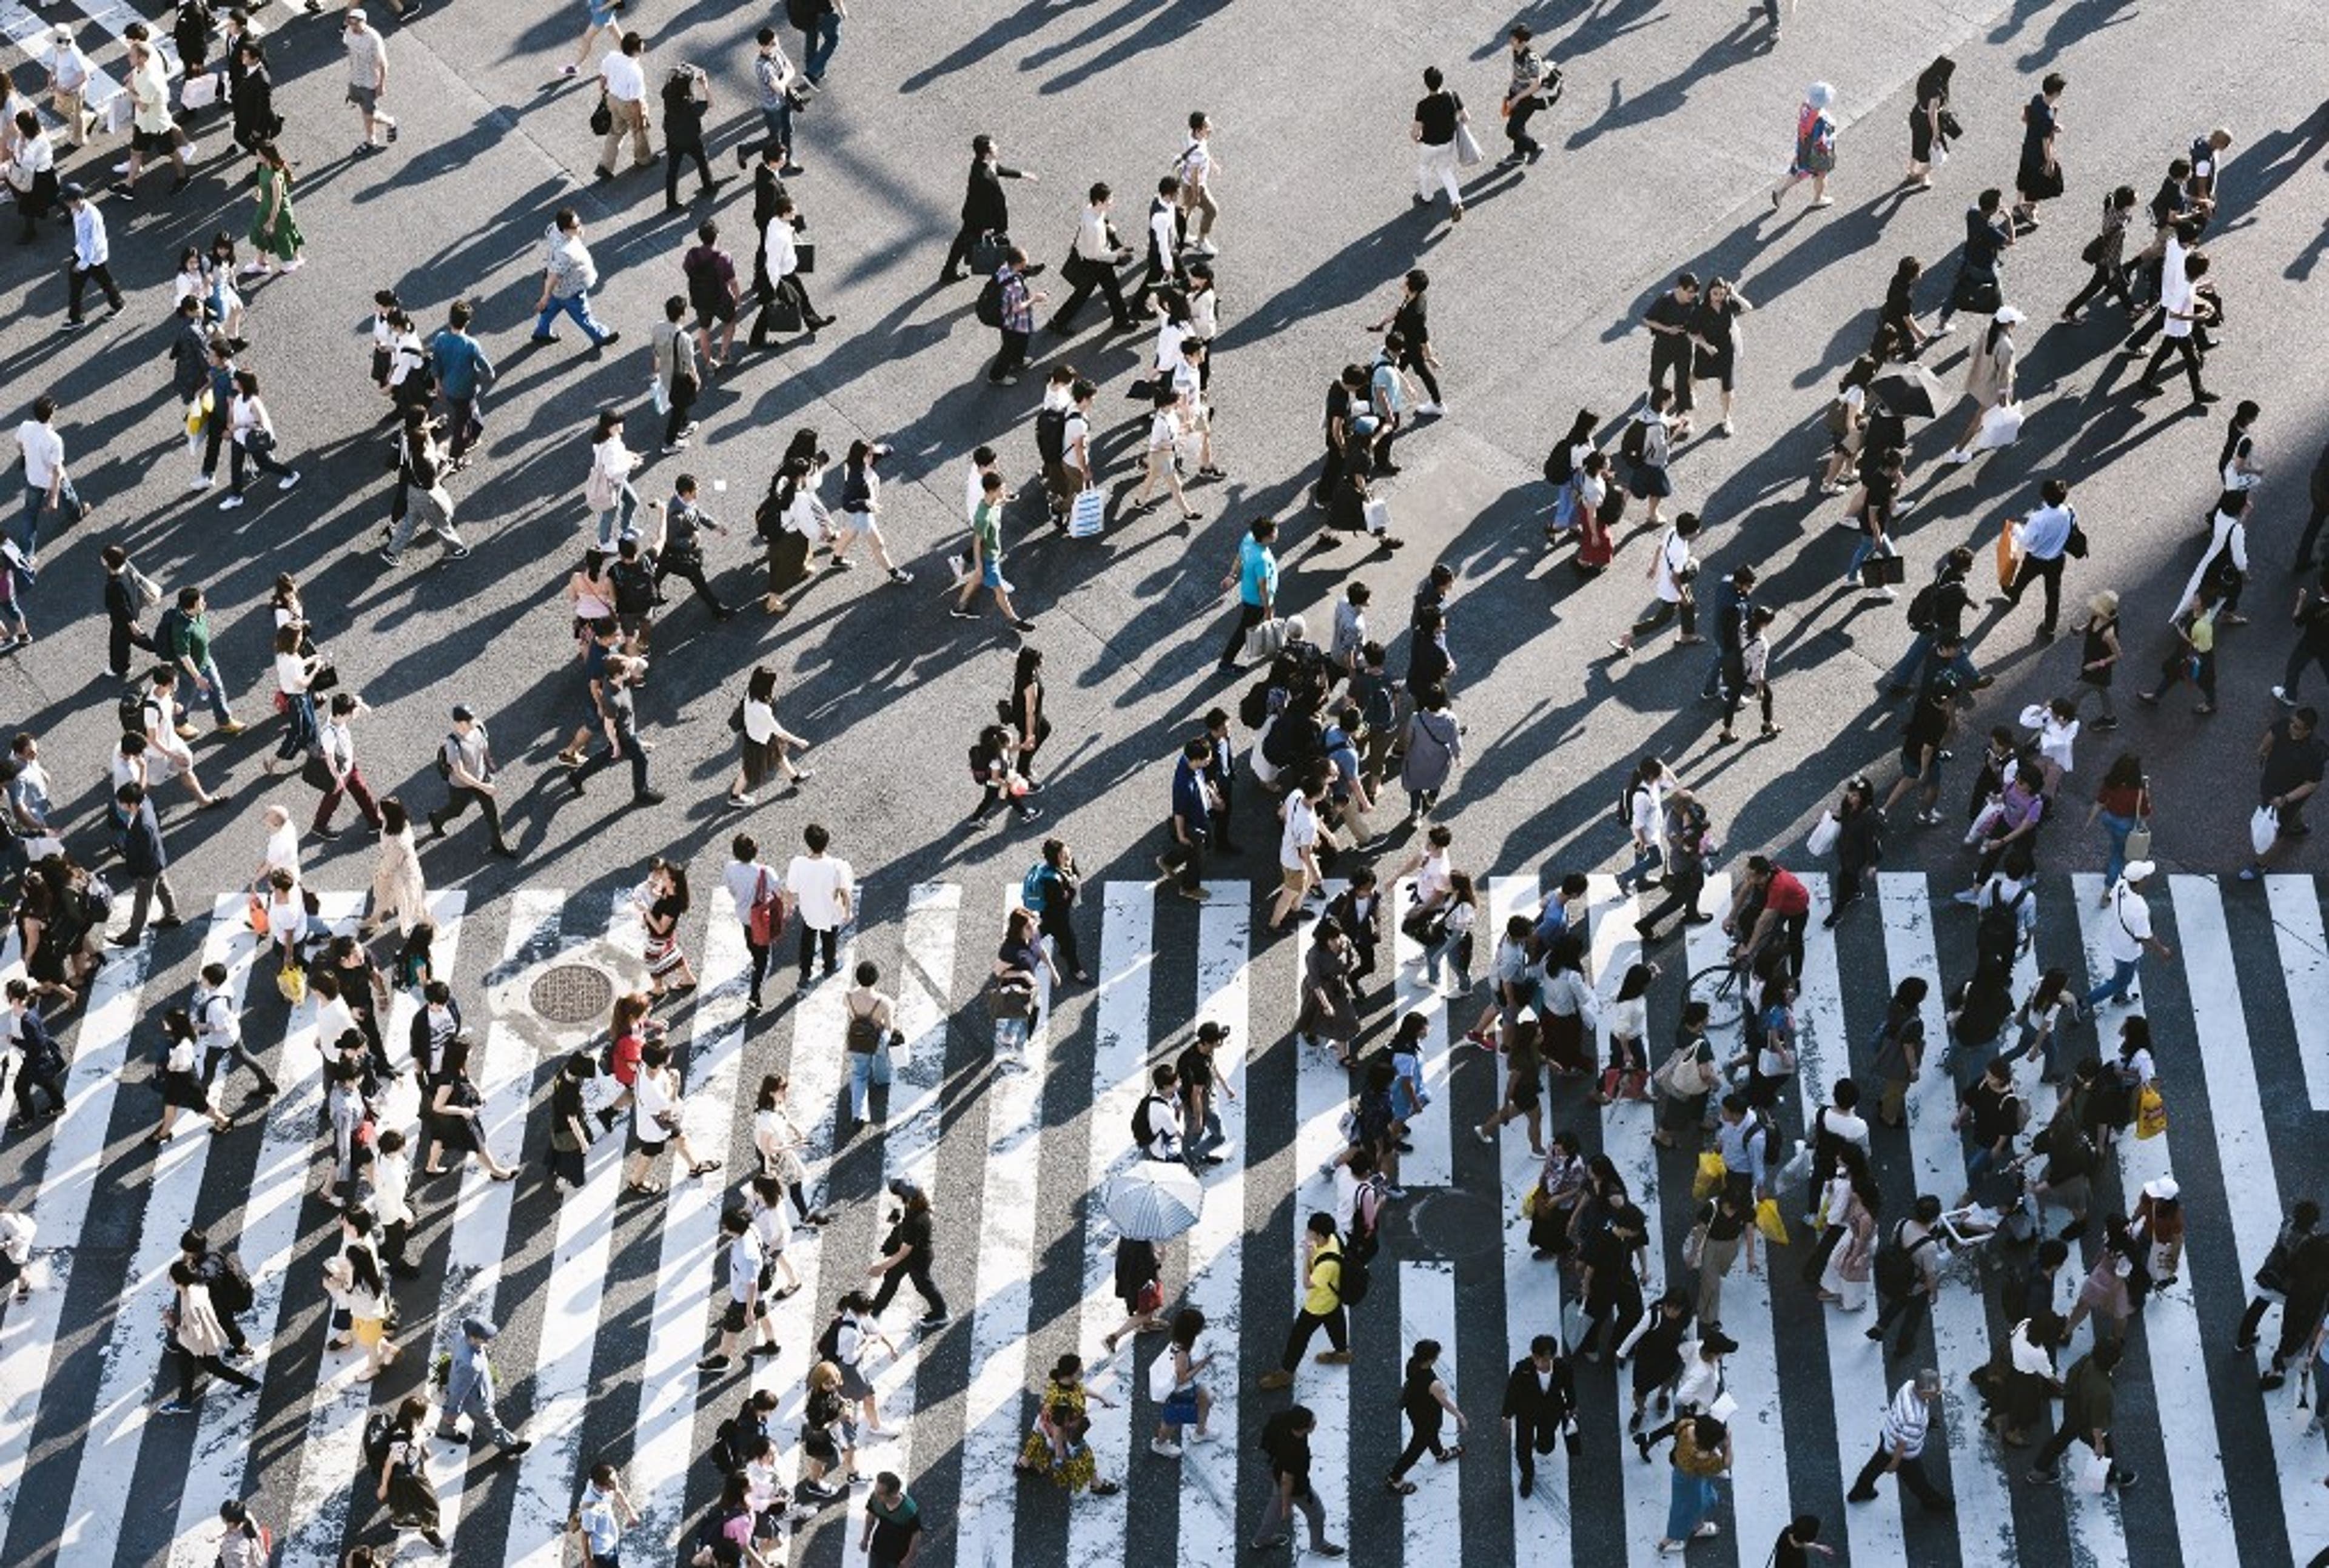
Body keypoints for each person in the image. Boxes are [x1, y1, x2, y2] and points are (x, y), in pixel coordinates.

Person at [2027, 1339, 2136, 1489]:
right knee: (2106, 1451)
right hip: (2086, 1423)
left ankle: (2039, 1470)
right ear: (2116, 1363)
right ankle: (2110, 1478)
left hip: (2073, 1410)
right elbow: (2098, 1421)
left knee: (2061, 1439)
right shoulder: (2103, 1392)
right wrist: (2099, 1443)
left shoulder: (2087, 1360)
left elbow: (2071, 1374)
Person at [159, 1258, 261, 1415]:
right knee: (184, 1359)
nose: (169, 1278)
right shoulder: (196, 1286)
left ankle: (250, 1384)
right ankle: (184, 1400)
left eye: (171, 1276)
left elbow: (195, 1334)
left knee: (215, 1368)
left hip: (201, 1344)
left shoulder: (191, 1305)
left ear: (179, 1281)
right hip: (202, 1334)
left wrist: (173, 1324)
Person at [1846, 1369, 1952, 1512]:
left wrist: (1924, 1423)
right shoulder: (1914, 1419)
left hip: (1889, 1434)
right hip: (1904, 1454)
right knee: (1918, 1482)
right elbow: (1903, 1443)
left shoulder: (1908, 1386)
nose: (1938, 1394)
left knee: (1876, 1465)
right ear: (1922, 1391)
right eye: (1934, 1392)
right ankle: (1931, 1502)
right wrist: (1894, 1464)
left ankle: (1860, 1490)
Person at [2241, 705, 2328, 880]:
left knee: (2273, 830)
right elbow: (2273, 733)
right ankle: (2296, 826)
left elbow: (2312, 784)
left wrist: (2286, 799)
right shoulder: (2285, 725)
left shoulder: (2314, 752)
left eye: (2297, 727)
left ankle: (2261, 865)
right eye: (2292, 723)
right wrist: (2262, 750)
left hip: (2285, 797)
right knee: (2288, 817)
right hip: (2271, 786)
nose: (2291, 728)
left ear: (2308, 731)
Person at [1252, 1406, 1344, 1558]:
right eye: (1312, 1423)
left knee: (1275, 1508)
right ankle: (1318, 1545)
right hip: (1296, 1487)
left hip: (1277, 1471)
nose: (1315, 1422)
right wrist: (1287, 1508)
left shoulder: (1281, 1419)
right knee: (1317, 1513)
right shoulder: (1295, 1452)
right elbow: (1287, 1481)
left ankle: (1262, 1540)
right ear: (1302, 1428)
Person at [942, 133, 1035, 283]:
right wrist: (992, 227)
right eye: (994, 146)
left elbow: (998, 169)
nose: (997, 147)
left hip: (972, 214)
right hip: (979, 219)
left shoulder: (982, 163)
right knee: (999, 245)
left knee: (962, 242)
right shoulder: (984, 178)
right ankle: (1019, 270)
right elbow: (994, 205)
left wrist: (1022, 175)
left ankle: (948, 272)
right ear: (987, 153)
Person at [437, 1318, 532, 1455]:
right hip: (476, 1400)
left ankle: (445, 1431)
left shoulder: (462, 1336)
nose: (487, 1341)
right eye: (483, 1338)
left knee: (453, 1411)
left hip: (465, 1386)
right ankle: (509, 1445)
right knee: (488, 1422)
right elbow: (460, 1392)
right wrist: (451, 1411)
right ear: (472, 1338)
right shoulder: (470, 1365)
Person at [1385, 1338, 1467, 1495]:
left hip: (1414, 1409)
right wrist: (1461, 1417)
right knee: (1415, 1450)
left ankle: (1440, 1454)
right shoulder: (1433, 1384)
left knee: (1431, 1436)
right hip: (1429, 1417)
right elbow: (1445, 1403)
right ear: (1430, 1360)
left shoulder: (1412, 1363)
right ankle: (1394, 1479)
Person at [866, 1182, 948, 1328]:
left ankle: (941, 1314)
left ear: (906, 1197)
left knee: (923, 1285)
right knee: (892, 1279)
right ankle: (876, 1311)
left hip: (916, 1259)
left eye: (898, 1194)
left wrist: (881, 1267)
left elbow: (903, 1253)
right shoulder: (919, 1206)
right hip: (918, 1253)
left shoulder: (913, 1222)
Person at [1410, 66, 1468, 224]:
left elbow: (1415, 132)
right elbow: (1466, 117)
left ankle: (1427, 197)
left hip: (1429, 145)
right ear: (1441, 81)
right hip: (1447, 143)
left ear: (1426, 83)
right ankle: (1456, 201)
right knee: (1444, 170)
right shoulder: (1452, 96)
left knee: (1424, 168)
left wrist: (1416, 138)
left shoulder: (1423, 105)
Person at [1772, 82, 1838, 212]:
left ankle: (1781, 192)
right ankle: (1818, 199)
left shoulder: (1806, 108)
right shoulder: (1821, 120)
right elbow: (1824, 139)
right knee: (1821, 175)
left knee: (1802, 170)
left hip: (1803, 147)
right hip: (1817, 153)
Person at [344, 8, 397, 152]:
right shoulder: (348, 32)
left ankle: (390, 122)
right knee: (365, 111)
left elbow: (384, 64)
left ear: (364, 22)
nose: (353, 27)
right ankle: (371, 141)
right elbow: (350, 51)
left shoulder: (374, 39)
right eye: (351, 23)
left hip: (369, 82)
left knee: (370, 114)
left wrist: (381, 85)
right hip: (355, 79)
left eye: (356, 23)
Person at [860, 1473, 924, 1568]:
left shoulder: (909, 1510)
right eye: (876, 1490)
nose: (876, 1495)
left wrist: (908, 1559)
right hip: (878, 1548)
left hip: (898, 1555)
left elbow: (916, 1535)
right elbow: (871, 1517)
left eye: (881, 1494)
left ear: (893, 1494)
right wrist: (866, 1539)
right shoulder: (876, 1499)